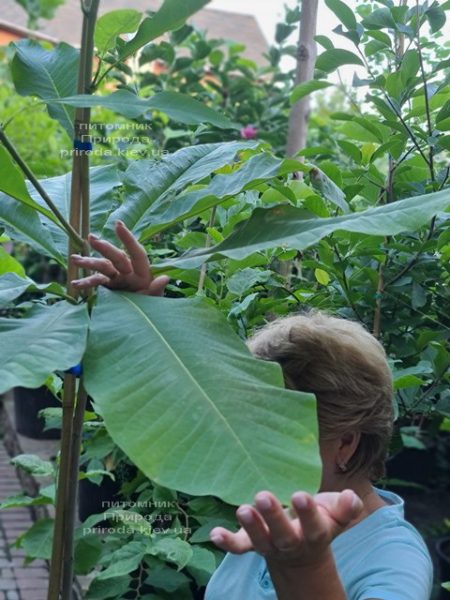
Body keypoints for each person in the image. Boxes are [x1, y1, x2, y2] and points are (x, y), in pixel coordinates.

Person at [71, 221, 433, 600]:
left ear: (345, 442)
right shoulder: (276, 507)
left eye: (269, 427)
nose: (236, 436)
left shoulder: (395, 560)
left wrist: (304, 568)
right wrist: (140, 318)